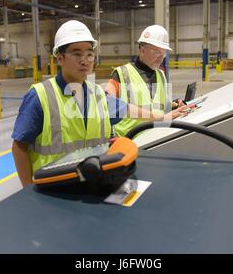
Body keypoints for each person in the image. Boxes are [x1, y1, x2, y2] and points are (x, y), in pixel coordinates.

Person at [11, 20, 188, 187]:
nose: (84, 60)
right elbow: (19, 147)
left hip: (91, 184)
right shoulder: (41, 96)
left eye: (89, 54)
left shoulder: (97, 94)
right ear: (60, 57)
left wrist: (165, 116)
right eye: (76, 53)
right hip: (51, 187)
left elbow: (128, 109)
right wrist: (28, 189)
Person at [105, 25, 185, 137]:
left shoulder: (161, 74)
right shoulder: (121, 74)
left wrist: (173, 105)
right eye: (157, 52)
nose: (161, 57)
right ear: (142, 50)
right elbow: (106, 106)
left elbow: (160, 105)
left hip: (156, 139)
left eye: (164, 53)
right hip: (130, 142)